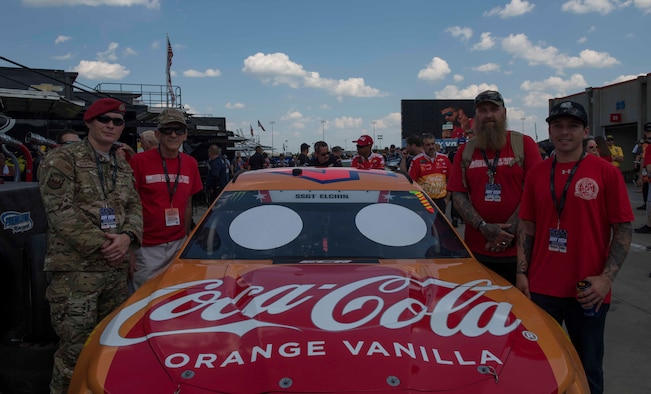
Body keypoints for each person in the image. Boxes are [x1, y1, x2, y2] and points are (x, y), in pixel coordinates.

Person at [516, 100, 633, 394]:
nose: (564, 132)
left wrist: (607, 278)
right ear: (550, 130)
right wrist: (521, 273)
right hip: (542, 288)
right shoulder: (537, 174)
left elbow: (623, 229)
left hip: (588, 289)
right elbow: (527, 225)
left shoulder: (606, 173)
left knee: (588, 368)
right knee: (542, 365)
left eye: (572, 126)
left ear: (585, 131)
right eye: (558, 126)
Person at [38, 97, 143, 393]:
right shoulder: (62, 159)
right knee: (74, 354)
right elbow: (60, 211)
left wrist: (127, 238)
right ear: (89, 123)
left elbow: (134, 206)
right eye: (104, 119)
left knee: (110, 349)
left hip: (114, 273)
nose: (111, 125)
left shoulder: (121, 166)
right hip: (75, 275)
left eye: (117, 121)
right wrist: (105, 244)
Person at [447, 90, 542, 285]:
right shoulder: (465, 152)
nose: (488, 115)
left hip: (520, 254)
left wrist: (505, 235)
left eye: (494, 109)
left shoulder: (524, 144)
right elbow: (458, 196)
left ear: (504, 113)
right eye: (482, 110)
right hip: (478, 253)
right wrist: (484, 228)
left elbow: (536, 193)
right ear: (476, 117)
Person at [128, 108, 203, 291]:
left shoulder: (190, 163)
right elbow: (128, 204)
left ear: (185, 135)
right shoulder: (139, 161)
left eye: (179, 131)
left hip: (178, 244)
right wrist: (129, 248)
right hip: (146, 248)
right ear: (157, 134)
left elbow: (187, 204)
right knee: (144, 299)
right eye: (167, 130)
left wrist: (185, 239)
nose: (173, 135)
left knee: (174, 295)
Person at [408, 133, 452, 213]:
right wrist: (420, 200)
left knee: (440, 225)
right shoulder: (416, 161)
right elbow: (411, 184)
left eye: (432, 144)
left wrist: (447, 199)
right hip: (424, 201)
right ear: (423, 146)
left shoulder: (444, 158)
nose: (431, 147)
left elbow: (451, 180)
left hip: (441, 201)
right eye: (428, 145)